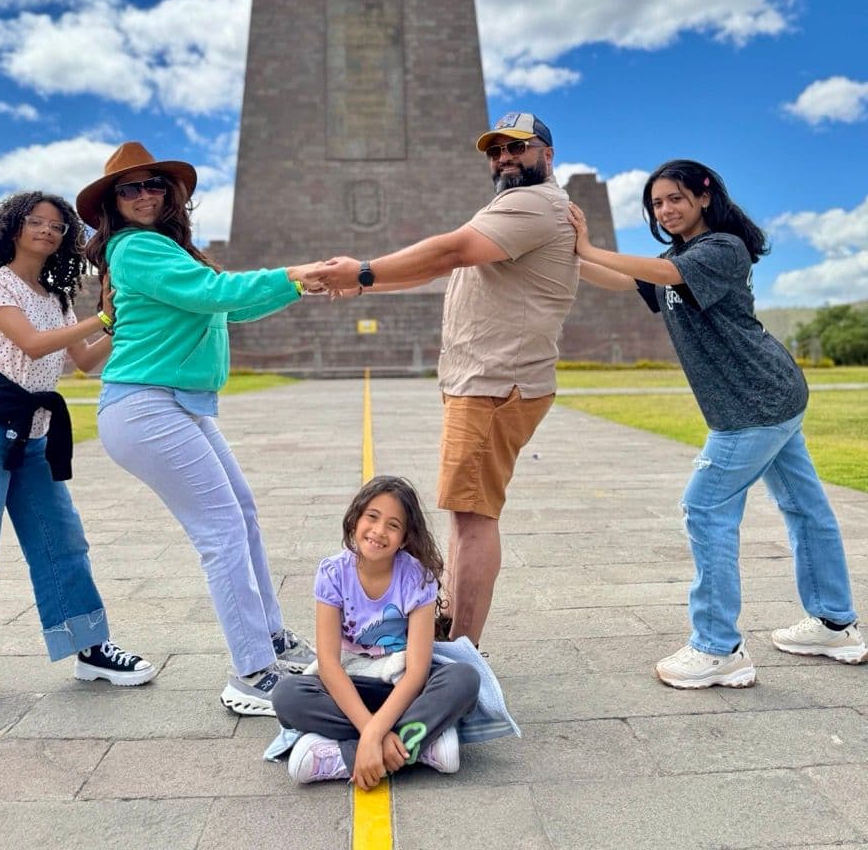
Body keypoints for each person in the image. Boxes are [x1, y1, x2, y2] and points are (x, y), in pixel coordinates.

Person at [570, 158, 865, 688]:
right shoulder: (674, 256)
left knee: (705, 507)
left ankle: (718, 647)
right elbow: (628, 280)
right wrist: (570, 258)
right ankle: (835, 623)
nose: (666, 210)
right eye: (657, 204)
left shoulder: (723, 249)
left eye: (675, 199)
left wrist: (590, 246)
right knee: (805, 509)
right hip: (768, 398)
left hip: (754, 403)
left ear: (704, 196)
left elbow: (669, 275)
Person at [307, 112, 578, 646]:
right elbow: (444, 266)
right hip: (489, 382)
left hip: (496, 383)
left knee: (474, 517)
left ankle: (462, 650)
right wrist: (367, 286)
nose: (503, 158)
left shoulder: (531, 204)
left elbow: (450, 251)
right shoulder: (515, 208)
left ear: (546, 155)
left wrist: (363, 271)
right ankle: (453, 627)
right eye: (495, 150)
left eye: (517, 148)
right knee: (466, 512)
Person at [76, 141, 326, 715]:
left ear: (172, 194)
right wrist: (295, 272)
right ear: (113, 203)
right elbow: (217, 294)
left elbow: (231, 307)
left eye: (154, 185)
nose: (144, 195)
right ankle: (251, 672)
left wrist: (298, 285)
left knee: (242, 514)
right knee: (221, 533)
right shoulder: (135, 247)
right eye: (129, 188)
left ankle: (271, 639)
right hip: (144, 405)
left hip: (176, 404)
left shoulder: (167, 250)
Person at [0, 191, 155, 710]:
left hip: (36, 434)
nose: (47, 231)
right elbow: (30, 344)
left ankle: (88, 647)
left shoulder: (57, 297)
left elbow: (85, 362)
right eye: (36, 222)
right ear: (12, 228)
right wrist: (101, 320)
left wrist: (122, 317)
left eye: (56, 225)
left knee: (63, 541)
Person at [272, 475, 480, 787]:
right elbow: (329, 664)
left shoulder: (416, 578)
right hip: (350, 686)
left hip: (399, 687)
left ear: (405, 537)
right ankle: (417, 747)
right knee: (287, 696)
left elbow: (417, 673)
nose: (379, 531)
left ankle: (342, 756)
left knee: (464, 678)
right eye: (372, 517)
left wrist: (372, 734)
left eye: (393, 525)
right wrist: (372, 730)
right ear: (355, 519)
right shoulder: (332, 573)